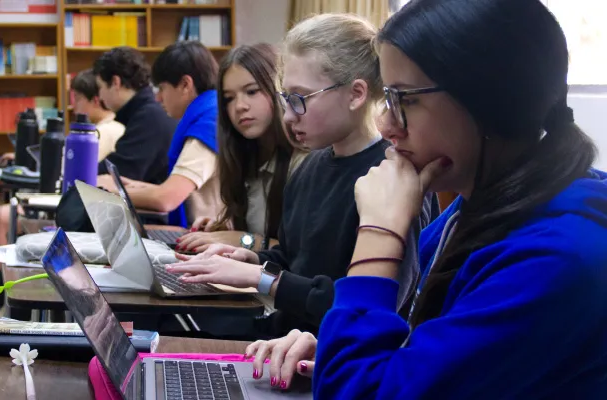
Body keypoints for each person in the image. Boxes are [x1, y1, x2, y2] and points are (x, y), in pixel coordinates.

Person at [242, 0, 607, 396]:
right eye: (388, 99)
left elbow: (361, 394)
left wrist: (380, 230)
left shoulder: (557, 259)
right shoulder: (473, 211)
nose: (387, 124)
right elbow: (436, 361)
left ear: (488, 101)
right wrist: (337, 353)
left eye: (406, 99)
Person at [167, 14, 438, 339]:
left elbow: (372, 309)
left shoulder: (394, 180)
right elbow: (293, 258)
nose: (287, 116)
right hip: (283, 338)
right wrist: (250, 258)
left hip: (331, 349)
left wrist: (259, 277)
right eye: (285, 99)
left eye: (299, 99)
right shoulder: (310, 167)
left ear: (356, 94)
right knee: (169, 328)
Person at [0, 69, 130, 329]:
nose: (73, 105)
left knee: (0, 219)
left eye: (78, 99)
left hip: (81, 216)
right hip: (74, 207)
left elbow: (65, 169)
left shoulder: (102, 132)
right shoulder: (96, 130)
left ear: (95, 99)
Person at [173, 43, 307, 254]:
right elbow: (255, 234)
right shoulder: (244, 156)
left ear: (279, 90)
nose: (239, 106)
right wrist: (222, 230)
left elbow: (302, 254)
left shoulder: (304, 162)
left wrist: (240, 239)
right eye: (229, 98)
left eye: (251, 91)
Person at [101, 41, 221, 228]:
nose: (158, 98)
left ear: (185, 84)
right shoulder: (207, 113)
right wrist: (138, 187)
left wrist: (104, 191)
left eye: (162, 88)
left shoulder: (209, 123)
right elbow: (184, 192)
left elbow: (167, 199)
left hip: (209, 236)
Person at [94, 46, 177, 184]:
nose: (100, 96)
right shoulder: (147, 111)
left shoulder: (149, 117)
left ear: (115, 82)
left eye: (100, 87)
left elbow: (120, 172)